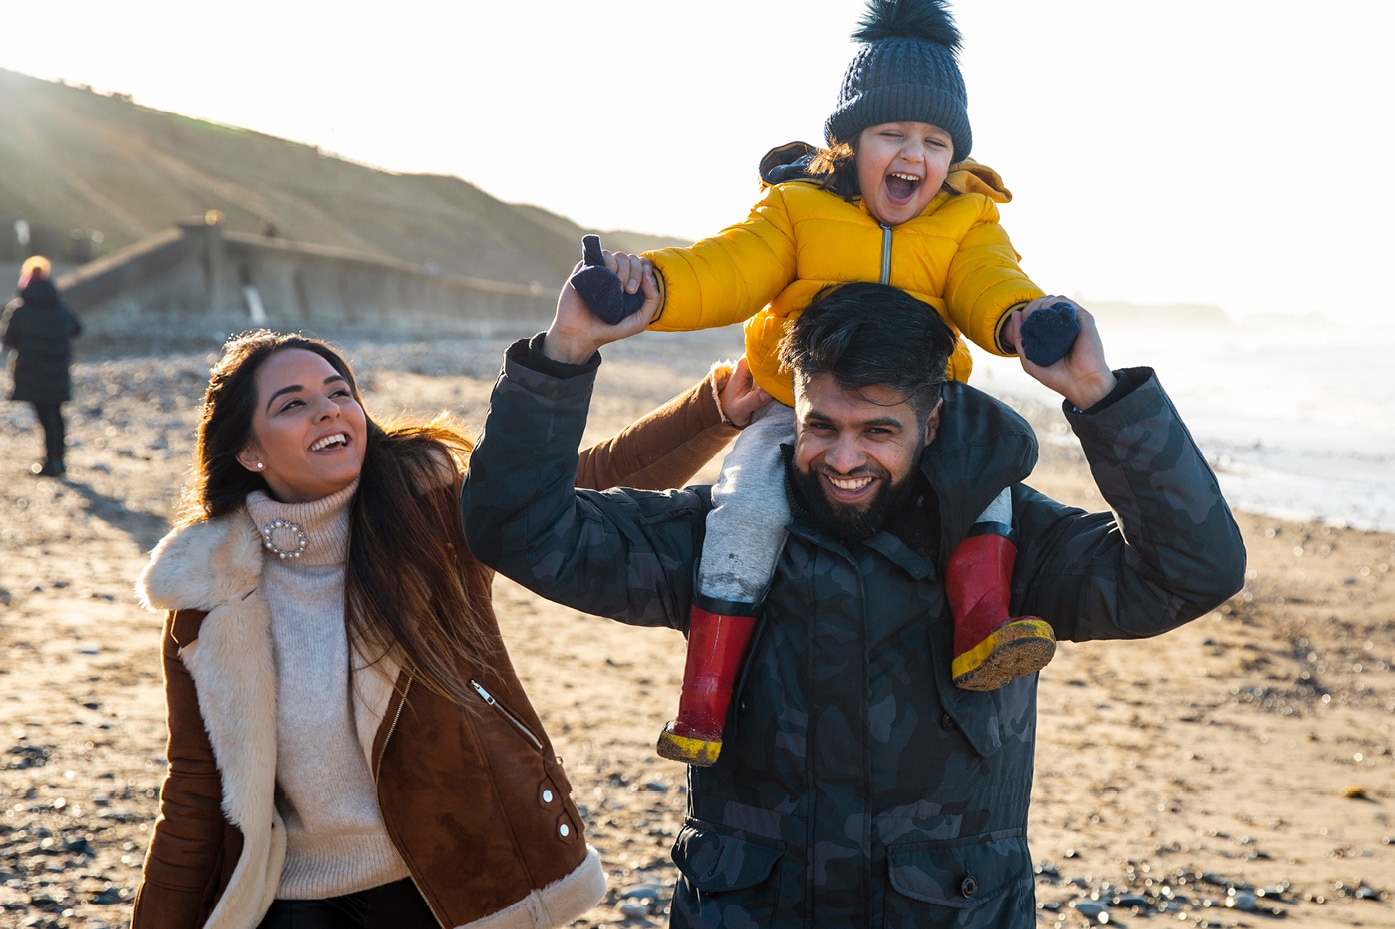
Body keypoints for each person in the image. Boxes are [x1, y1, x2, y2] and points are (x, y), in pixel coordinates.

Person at [459, 277, 1247, 926]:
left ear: (931, 419)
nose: (842, 458)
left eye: (877, 431)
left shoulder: (1017, 545)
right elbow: (518, 529)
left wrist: (1098, 397)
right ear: (792, 405)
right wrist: (563, 356)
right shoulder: (720, 534)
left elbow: (1191, 570)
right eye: (821, 425)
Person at [130, 328, 768, 929]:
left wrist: (713, 410)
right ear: (247, 450)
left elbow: (571, 490)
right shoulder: (209, 597)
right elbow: (194, 788)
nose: (327, 411)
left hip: (443, 882)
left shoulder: (430, 516)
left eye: (338, 392)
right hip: (293, 899)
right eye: (292, 404)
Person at [580, 0, 1079, 765]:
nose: (913, 153)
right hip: (799, 406)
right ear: (847, 141)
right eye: (892, 134)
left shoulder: (966, 222)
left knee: (986, 475)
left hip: (919, 409)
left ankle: (983, 628)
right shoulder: (795, 208)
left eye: (934, 140)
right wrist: (649, 285)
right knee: (744, 507)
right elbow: (726, 267)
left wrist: (1021, 319)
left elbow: (990, 282)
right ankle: (703, 700)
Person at [1, 255, 82, 477]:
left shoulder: (20, 309)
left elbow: (8, 340)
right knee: (55, 413)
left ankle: (51, 461)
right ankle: (58, 460)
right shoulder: (59, 307)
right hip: (57, 369)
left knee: (45, 415)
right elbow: (77, 328)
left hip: (32, 371)